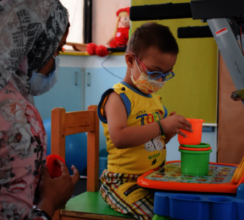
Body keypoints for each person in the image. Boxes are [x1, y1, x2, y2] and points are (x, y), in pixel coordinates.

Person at [97, 22, 192, 220]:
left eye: (166, 74)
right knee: (159, 215)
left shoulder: (154, 100)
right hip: (123, 182)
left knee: (185, 205)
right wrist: (161, 125)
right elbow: (120, 138)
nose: (160, 80)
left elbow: (150, 145)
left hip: (153, 177)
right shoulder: (117, 97)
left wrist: (167, 135)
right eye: (154, 72)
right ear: (130, 60)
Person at [0, 1, 79, 219]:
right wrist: (49, 202)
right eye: (57, 49)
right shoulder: (17, 118)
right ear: (32, 45)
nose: (55, 61)